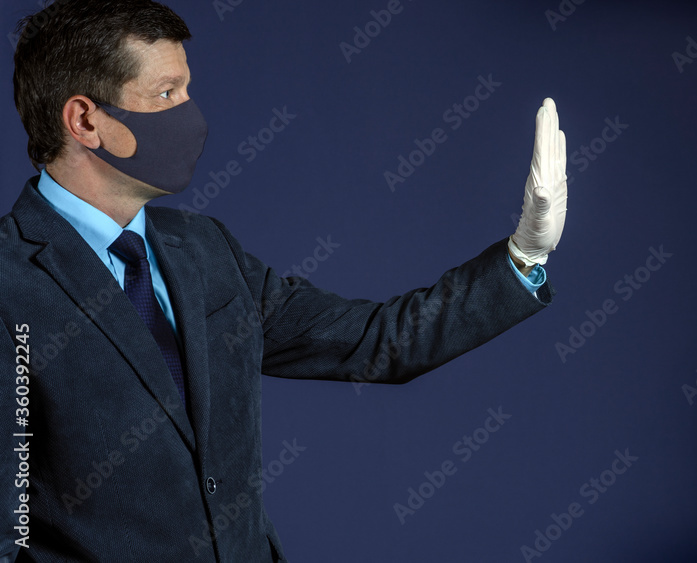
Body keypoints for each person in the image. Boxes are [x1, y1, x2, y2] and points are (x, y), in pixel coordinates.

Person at [0, 0, 567, 560]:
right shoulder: (10, 284)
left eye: (187, 90)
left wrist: (525, 253)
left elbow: (378, 342)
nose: (191, 115)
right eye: (167, 94)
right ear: (85, 121)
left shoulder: (204, 249)